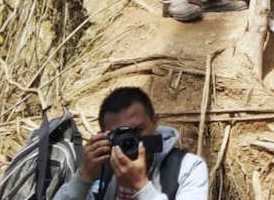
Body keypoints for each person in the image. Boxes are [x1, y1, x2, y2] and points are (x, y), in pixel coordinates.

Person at [55, 86, 208, 200]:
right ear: (104, 135)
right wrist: (83, 178)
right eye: (120, 134)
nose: (129, 141)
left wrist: (141, 186)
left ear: (155, 122)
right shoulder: (100, 168)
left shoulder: (187, 168)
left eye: (137, 131)